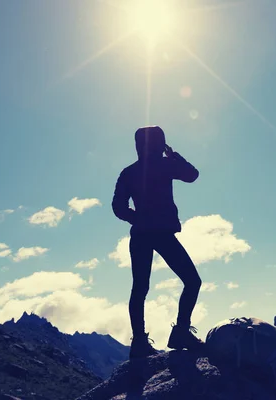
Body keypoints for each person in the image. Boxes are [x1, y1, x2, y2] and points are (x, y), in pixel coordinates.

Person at [112, 126, 204, 358]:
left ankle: (139, 342)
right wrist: (173, 155)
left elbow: (118, 207)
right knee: (192, 281)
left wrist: (138, 218)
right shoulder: (165, 165)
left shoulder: (128, 172)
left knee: (140, 288)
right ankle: (181, 332)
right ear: (159, 143)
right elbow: (192, 175)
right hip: (162, 233)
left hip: (141, 234)